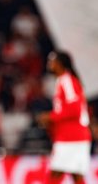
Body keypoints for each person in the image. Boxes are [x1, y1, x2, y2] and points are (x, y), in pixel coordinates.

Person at [37, 51, 91, 184]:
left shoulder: (66, 81)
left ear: (60, 64)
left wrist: (50, 117)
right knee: (76, 175)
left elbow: (75, 109)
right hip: (74, 135)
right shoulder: (65, 80)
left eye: (52, 60)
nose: (49, 63)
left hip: (71, 135)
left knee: (56, 173)